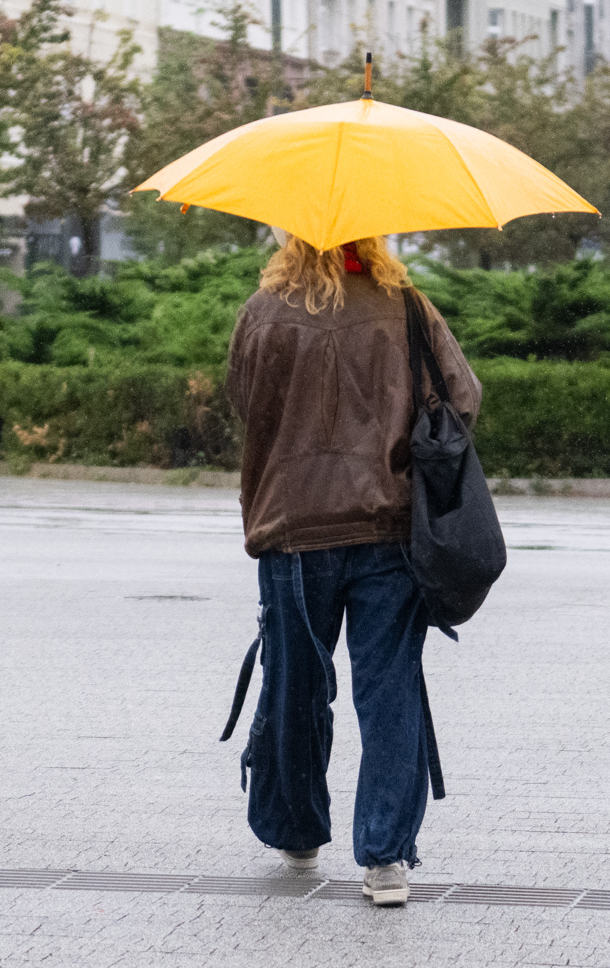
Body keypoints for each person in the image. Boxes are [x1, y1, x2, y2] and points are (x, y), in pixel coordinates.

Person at [224, 232, 481, 907]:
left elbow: (243, 402)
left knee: (296, 684)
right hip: (386, 528)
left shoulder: (263, 310)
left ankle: (298, 828)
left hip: (291, 527)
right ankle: (386, 856)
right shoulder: (405, 306)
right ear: (371, 235)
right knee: (389, 687)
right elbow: (463, 396)